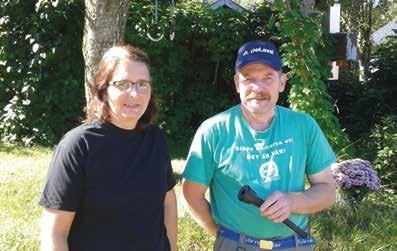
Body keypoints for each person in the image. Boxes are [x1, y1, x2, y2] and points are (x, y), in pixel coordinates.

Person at [182, 40, 336, 251]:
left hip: (295, 244)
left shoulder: (303, 126)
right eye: (248, 79)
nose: (258, 88)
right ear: (237, 83)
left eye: (267, 78)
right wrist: (221, 236)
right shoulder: (214, 131)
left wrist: (292, 202)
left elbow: (327, 191)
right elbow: (191, 194)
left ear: (282, 82)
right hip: (236, 245)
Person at [39, 44, 177, 251]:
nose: (134, 93)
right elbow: (54, 233)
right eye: (123, 84)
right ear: (104, 90)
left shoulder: (155, 138)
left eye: (142, 84)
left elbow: (168, 202)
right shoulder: (78, 146)